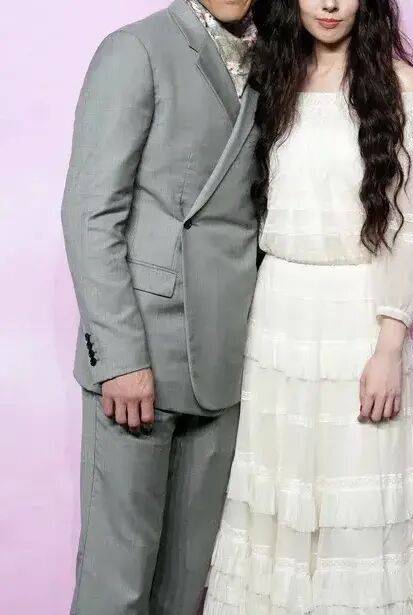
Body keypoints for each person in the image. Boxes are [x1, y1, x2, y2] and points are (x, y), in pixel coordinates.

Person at [203, 0, 413, 613]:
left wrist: (390, 341)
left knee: (354, 498)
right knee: (276, 494)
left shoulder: (399, 85)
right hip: (277, 313)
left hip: (358, 314)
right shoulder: (270, 77)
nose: (330, 5)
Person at [60, 1, 259, 613]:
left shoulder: (275, 56)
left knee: (185, 589)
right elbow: (90, 214)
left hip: (226, 359)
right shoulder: (136, 49)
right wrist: (119, 357)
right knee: (118, 586)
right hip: (143, 351)